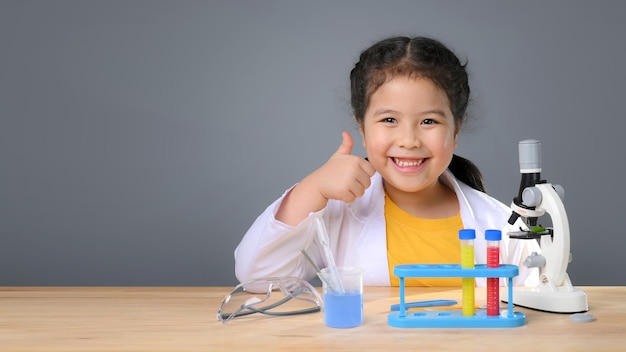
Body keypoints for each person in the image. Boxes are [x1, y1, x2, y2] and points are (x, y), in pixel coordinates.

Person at [234, 35, 539, 287]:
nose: (409, 140)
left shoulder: (502, 227)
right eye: (390, 119)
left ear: (455, 130)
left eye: (429, 121)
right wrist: (311, 189)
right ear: (362, 128)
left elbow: (538, 306)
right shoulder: (336, 213)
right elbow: (259, 278)